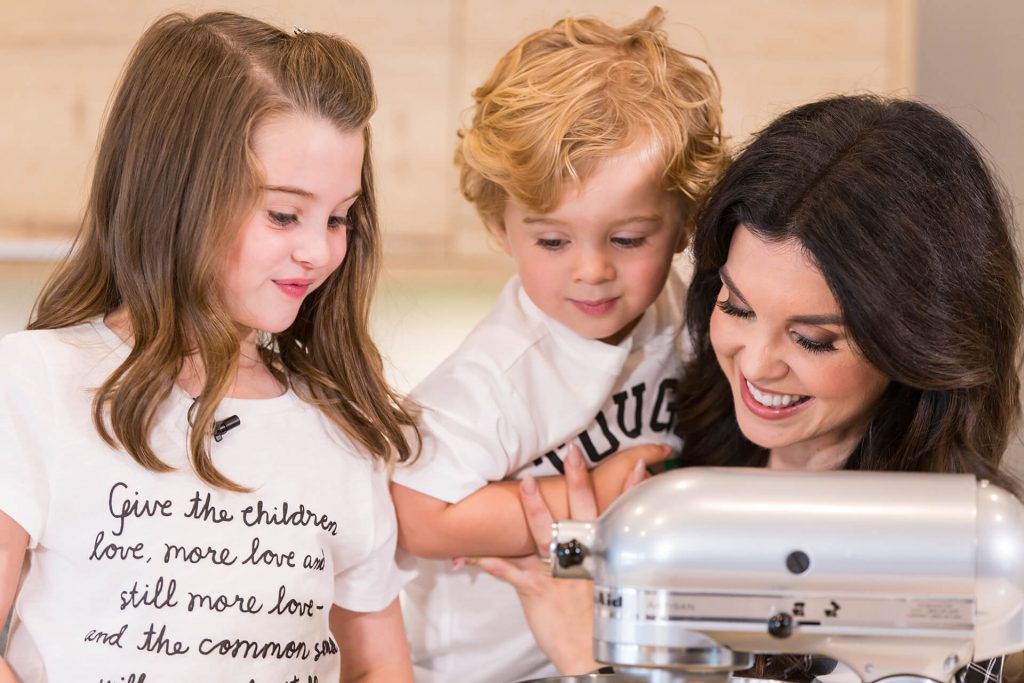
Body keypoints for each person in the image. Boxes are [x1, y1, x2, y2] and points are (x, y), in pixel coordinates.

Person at [479, 94, 1023, 683]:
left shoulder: (957, 571)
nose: (758, 365)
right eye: (736, 307)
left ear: (915, 343)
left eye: (812, 339)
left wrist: (591, 659)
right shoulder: (672, 442)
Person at [0, 12, 417, 682]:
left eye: (339, 216)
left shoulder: (341, 427)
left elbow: (379, 666)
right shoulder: (36, 382)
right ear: (176, 193)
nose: (318, 249)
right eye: (284, 213)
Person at [389, 6, 728, 682]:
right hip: (471, 670)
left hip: (589, 653)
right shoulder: (499, 371)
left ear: (686, 221)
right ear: (500, 225)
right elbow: (418, 513)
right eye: (553, 240)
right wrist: (595, 495)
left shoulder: (685, 321)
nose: (592, 270)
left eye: (629, 238)